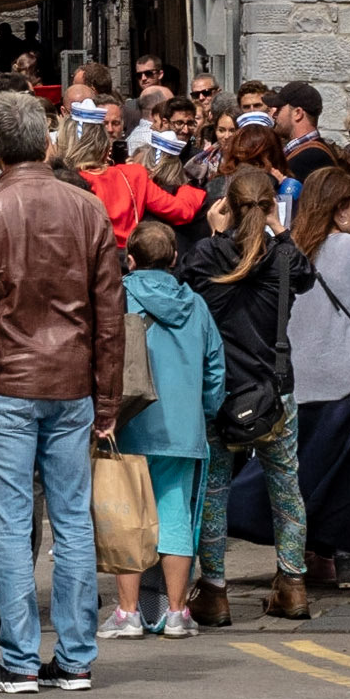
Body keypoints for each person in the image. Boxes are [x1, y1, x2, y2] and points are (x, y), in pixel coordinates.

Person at [0, 91, 123, 693]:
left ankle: (20, 657)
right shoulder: (87, 208)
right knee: (72, 519)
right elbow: (110, 312)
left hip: (3, 378)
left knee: (10, 520)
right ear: (47, 143)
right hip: (70, 380)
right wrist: (108, 399)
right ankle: (75, 656)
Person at [185, 164, 316, 627]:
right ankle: (293, 583)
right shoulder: (283, 259)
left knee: (215, 490)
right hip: (275, 392)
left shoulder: (209, 254)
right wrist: (281, 229)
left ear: (228, 206)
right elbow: (306, 276)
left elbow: (190, 281)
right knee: (286, 487)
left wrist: (217, 233)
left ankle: (214, 590)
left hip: (221, 392)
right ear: (269, 207)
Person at [105, 220, 224, 638]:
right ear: (175, 258)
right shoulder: (196, 305)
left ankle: (128, 614)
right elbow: (215, 369)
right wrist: (203, 410)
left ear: (130, 260)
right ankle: (176, 613)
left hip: (128, 425)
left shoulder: (118, 297)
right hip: (183, 429)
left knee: (126, 518)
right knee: (175, 516)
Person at [280, 164, 350, 592]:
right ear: (341, 208)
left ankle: (309, 552)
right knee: (345, 465)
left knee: (304, 465)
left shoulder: (288, 249)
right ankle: (344, 556)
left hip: (298, 378)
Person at [55, 101, 205, 249]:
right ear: (103, 142)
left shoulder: (62, 183)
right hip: (129, 257)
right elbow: (181, 211)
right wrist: (188, 188)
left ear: (65, 142)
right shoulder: (133, 174)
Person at [270, 82, 335, 183]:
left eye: (279, 109)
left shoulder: (312, 158)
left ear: (298, 113)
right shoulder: (311, 152)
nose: (274, 115)